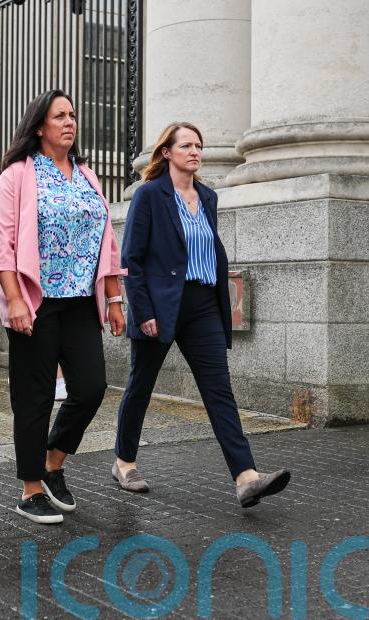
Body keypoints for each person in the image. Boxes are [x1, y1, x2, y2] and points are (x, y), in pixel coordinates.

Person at [114, 121, 290, 508]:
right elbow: (132, 259)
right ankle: (124, 461)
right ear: (167, 153)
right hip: (160, 306)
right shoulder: (149, 196)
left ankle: (246, 477)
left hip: (204, 304)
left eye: (199, 146)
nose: (195, 151)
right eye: (187, 145)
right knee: (141, 385)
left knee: (218, 390)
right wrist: (141, 310)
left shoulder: (208, 197)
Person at [0, 89, 126, 524]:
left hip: (82, 301)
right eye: (59, 116)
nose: (70, 122)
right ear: (40, 126)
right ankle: (30, 490)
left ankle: (52, 462)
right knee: (35, 396)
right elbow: (1, 245)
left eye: (73, 114)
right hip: (35, 301)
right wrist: (14, 299)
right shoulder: (18, 175)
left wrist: (115, 297)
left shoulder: (87, 174)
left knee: (91, 387)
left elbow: (106, 241)